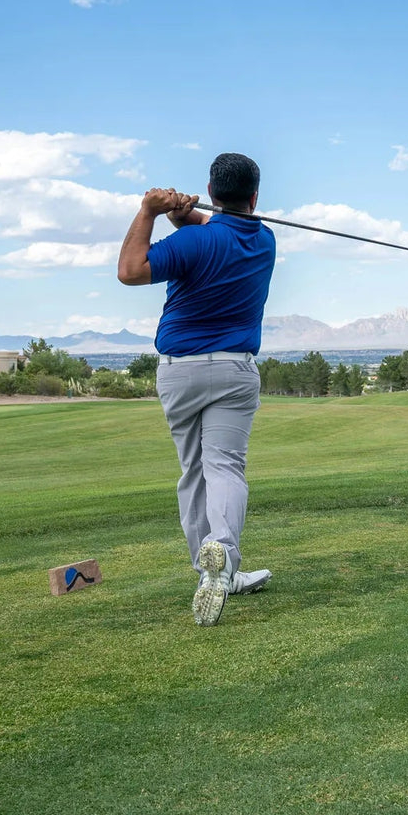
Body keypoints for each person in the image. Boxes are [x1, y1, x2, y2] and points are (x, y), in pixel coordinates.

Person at [117, 153, 277, 626]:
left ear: (210, 192)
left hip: (180, 370)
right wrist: (180, 212)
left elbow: (130, 270)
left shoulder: (192, 243)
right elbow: (217, 226)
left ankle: (208, 570)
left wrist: (150, 210)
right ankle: (222, 558)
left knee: (193, 472)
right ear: (254, 197)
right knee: (225, 466)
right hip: (234, 370)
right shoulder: (264, 240)